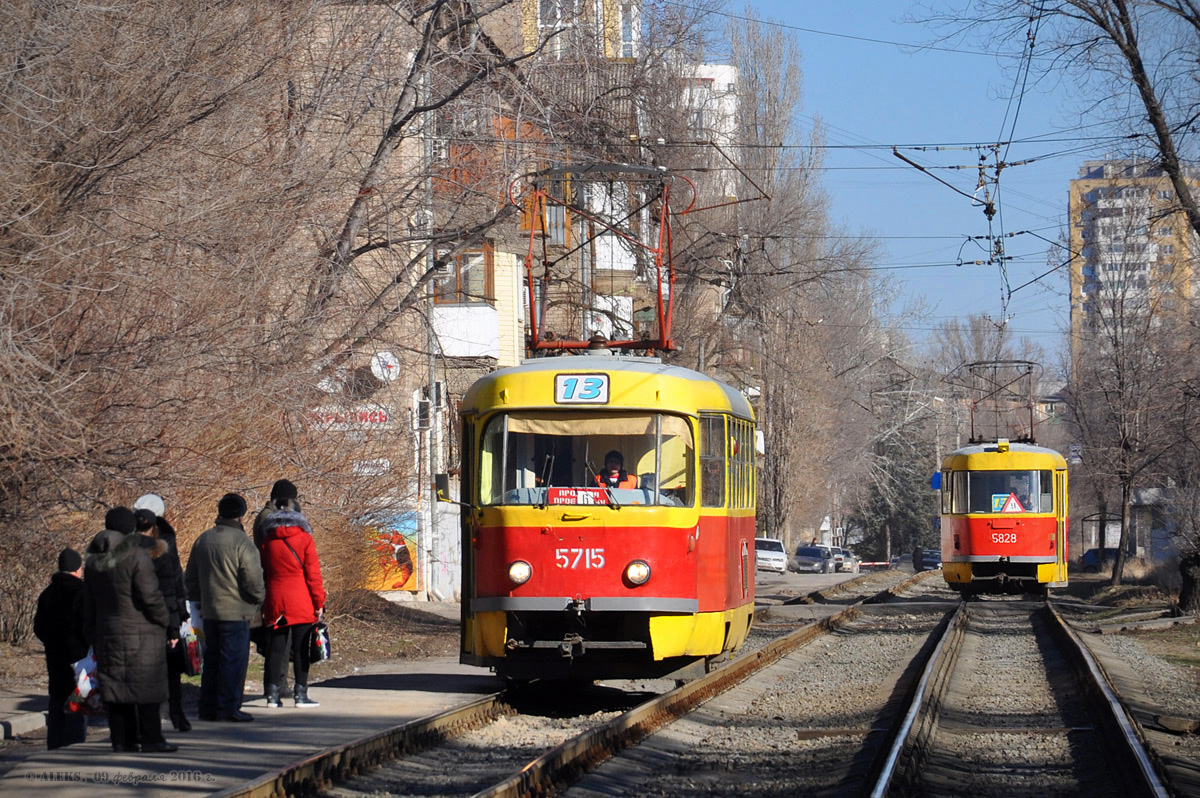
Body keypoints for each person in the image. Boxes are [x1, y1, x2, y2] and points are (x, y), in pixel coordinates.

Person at [83, 507, 177, 754]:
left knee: (115, 685)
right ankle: (151, 738)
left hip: (107, 631)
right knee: (146, 686)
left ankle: (122, 740)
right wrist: (163, 619)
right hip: (141, 632)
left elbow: (89, 601)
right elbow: (150, 595)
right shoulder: (136, 556)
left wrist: (92, 631)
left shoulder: (92, 561)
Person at [185, 493, 264, 723]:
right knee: (233, 660)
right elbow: (253, 581)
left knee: (212, 660)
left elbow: (190, 578)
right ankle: (228, 707)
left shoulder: (203, 539)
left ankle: (207, 706)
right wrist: (257, 599)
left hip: (209, 611)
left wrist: (199, 600)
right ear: (241, 516)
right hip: (236, 611)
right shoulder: (242, 543)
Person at [258, 495, 326, 709]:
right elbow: (313, 575)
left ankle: (272, 694)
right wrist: (319, 602)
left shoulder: (267, 542)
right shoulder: (305, 539)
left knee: (276, 647)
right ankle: (300, 694)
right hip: (301, 600)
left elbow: (264, 572)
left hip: (276, 600)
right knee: (301, 648)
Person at [133, 493, 191, 731]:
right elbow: (173, 580)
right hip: (163, 613)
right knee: (170, 666)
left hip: (136, 615)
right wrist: (177, 618)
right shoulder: (166, 539)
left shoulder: (126, 541)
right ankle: (173, 713)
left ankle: (146, 717)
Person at [33, 548, 89, 750]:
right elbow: (88, 625)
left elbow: (38, 627)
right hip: (79, 658)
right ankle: (74, 747)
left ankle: (54, 745)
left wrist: (51, 642)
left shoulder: (47, 594)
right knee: (76, 701)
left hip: (55, 657)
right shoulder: (81, 593)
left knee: (56, 700)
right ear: (77, 569)